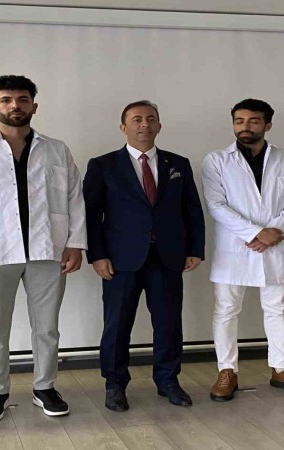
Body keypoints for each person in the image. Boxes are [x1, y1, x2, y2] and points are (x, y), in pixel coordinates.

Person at [0, 75, 86, 419]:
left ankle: (45, 387)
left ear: (34, 106)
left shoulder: (57, 149)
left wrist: (75, 243)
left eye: (23, 99)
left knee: (47, 327)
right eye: (6, 100)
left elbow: (75, 197)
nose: (15, 106)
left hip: (48, 249)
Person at [83, 100, 205, 412]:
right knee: (117, 324)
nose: (144, 125)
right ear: (123, 127)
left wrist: (195, 249)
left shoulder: (178, 164)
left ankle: (168, 380)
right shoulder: (103, 165)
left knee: (168, 322)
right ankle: (114, 384)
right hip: (120, 259)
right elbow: (91, 215)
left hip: (167, 256)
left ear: (159, 125)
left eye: (151, 119)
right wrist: (97, 255)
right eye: (136, 119)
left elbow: (191, 209)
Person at [202, 99, 284, 400]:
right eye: (239, 120)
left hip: (275, 245)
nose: (245, 126)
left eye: (253, 121)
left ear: (267, 124)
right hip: (234, 247)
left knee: (277, 309)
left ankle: (281, 368)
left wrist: (273, 231)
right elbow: (216, 204)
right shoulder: (216, 160)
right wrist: (256, 233)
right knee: (226, 310)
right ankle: (227, 370)